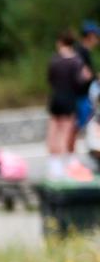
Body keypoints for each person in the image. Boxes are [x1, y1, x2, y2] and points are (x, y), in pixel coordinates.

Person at [47, 29, 93, 180]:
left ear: (60, 42)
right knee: (66, 133)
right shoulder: (76, 61)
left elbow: (50, 79)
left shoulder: (54, 59)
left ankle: (53, 164)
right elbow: (81, 80)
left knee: (53, 131)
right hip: (69, 98)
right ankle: (62, 166)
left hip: (56, 97)